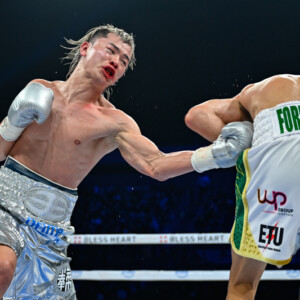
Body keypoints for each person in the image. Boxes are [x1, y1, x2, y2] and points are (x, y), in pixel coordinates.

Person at [0, 24, 253, 300]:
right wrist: (10, 125)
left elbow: (155, 164)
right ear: (85, 49)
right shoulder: (39, 90)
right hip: (6, 203)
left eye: (123, 61)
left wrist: (214, 155)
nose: (116, 62)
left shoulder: (115, 122)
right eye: (111, 51)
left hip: (53, 233)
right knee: (2, 267)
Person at [185, 73, 300, 300]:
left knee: (243, 285)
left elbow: (195, 116)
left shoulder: (262, 88)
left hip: (276, 168)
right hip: (277, 158)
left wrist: (243, 147)